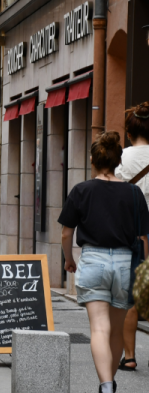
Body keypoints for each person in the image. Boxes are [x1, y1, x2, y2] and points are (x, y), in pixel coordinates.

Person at [61, 131, 149, 393]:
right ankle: (108, 382)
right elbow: (144, 236)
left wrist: (68, 259)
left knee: (99, 327)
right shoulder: (134, 193)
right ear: (117, 161)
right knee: (116, 329)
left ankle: (106, 385)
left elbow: (66, 233)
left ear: (93, 160)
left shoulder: (81, 190)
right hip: (124, 263)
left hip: (93, 260)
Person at [115, 102, 149, 372]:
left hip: (132, 234)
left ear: (128, 132)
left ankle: (129, 355)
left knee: (130, 297)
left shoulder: (121, 158)